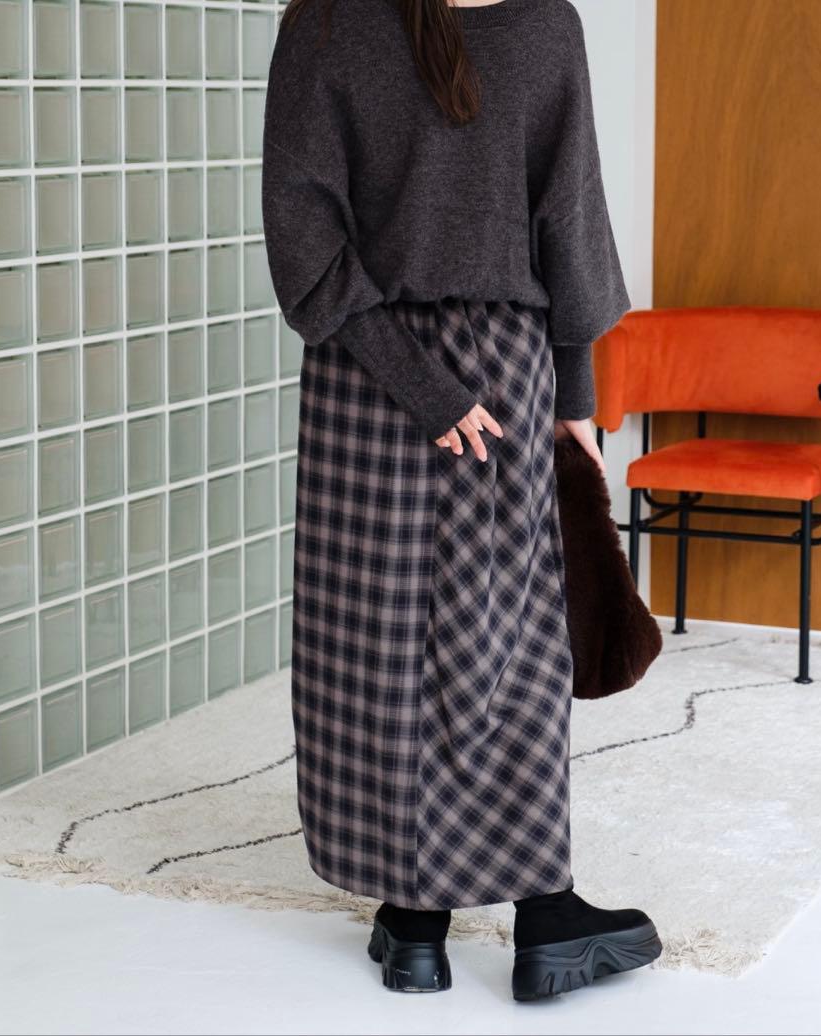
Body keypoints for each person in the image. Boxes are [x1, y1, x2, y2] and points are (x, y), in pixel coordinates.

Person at [261, 0, 660, 1001]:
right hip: (494, 367)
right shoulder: (540, 24)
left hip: (359, 374)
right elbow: (569, 222)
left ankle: (413, 920)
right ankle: (545, 915)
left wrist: (416, 380)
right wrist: (568, 401)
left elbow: (304, 228)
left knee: (375, 640)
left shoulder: (324, 21)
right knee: (508, 641)